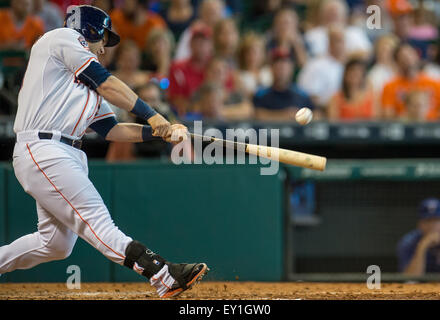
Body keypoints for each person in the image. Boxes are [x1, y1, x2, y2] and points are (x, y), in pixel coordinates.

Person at [0, 5, 208, 298]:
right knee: (98, 222)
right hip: (43, 147)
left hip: (64, 152)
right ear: (89, 31)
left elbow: (113, 130)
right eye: (103, 40)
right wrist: (153, 115)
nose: (104, 50)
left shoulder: (86, 89)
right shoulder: (61, 38)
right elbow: (108, 83)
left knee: (55, 244)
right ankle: (163, 275)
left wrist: (161, 133)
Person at [381, 42, 440, 121]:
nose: (407, 59)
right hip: (404, 128)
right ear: (396, 62)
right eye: (402, 57)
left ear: (417, 56)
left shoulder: (435, 83)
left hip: (432, 127)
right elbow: (388, 116)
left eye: (410, 54)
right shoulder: (390, 86)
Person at [253, 48, 315, 121]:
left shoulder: (301, 95)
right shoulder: (261, 94)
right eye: (277, 64)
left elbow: (317, 114)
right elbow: (256, 114)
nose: (282, 68)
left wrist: (300, 116)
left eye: (285, 64)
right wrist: (285, 115)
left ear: (292, 68)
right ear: (271, 68)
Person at [297, 26, 346, 111]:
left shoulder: (346, 66)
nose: (341, 45)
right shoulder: (316, 65)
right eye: (337, 41)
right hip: (321, 114)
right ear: (329, 43)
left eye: (343, 41)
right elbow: (309, 96)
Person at [168, 23, 213, 115]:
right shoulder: (178, 68)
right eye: (196, 41)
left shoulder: (218, 67)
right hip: (188, 118)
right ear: (190, 44)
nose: (200, 46)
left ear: (210, 45)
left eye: (203, 42)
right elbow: (177, 100)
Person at [397, 198, 440, 275]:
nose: (432, 225)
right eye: (428, 220)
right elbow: (409, 279)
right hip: (421, 286)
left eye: (437, 220)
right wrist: (422, 247)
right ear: (420, 224)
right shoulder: (408, 242)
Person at [304, 0, 372, 59]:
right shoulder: (313, 34)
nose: (333, 17)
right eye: (330, 14)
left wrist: (340, 56)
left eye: (336, 14)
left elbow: (367, 53)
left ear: (344, 16)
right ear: (322, 16)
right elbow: (315, 56)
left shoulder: (355, 32)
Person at [237, 32, 273, 98]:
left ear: (262, 54)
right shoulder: (239, 76)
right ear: (243, 55)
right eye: (249, 53)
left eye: (256, 53)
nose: (252, 56)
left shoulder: (269, 71)